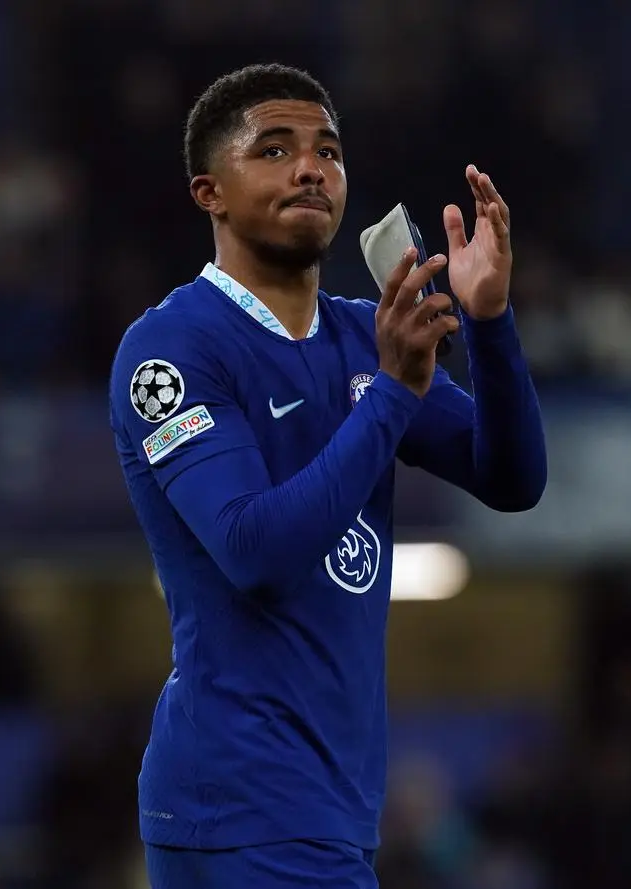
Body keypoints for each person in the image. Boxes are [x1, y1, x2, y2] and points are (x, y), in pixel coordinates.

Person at [109, 63, 548, 889]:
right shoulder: (171, 348)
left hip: (319, 804)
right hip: (246, 798)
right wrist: (390, 394)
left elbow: (513, 477)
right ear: (210, 191)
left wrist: (488, 321)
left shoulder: (364, 335)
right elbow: (252, 549)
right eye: (274, 149)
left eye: (328, 151)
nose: (311, 166)